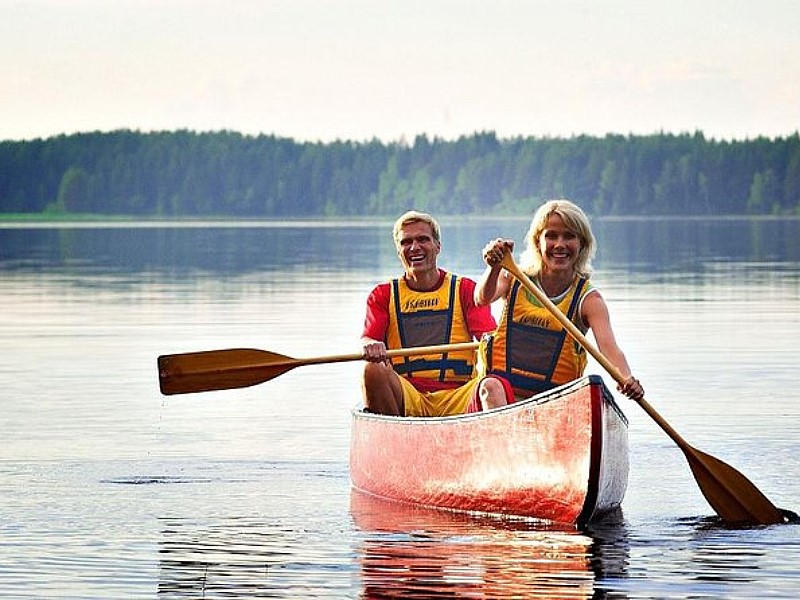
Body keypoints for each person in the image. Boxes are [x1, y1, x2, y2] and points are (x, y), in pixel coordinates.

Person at [476, 199, 645, 401]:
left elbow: (610, 349)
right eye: (551, 236)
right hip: (502, 395)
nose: (559, 245)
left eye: (569, 237)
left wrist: (626, 378)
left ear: (582, 244)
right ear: (538, 242)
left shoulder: (589, 300)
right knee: (490, 385)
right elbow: (482, 299)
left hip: (554, 402)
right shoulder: (513, 277)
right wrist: (494, 267)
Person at [361, 210, 513, 416]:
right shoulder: (383, 295)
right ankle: (397, 433)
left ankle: (500, 442)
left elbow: (491, 340)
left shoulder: (465, 289)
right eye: (406, 242)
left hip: (459, 396)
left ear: (437, 246)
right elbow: (369, 338)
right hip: (408, 396)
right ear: (399, 251)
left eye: (423, 239)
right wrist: (369, 345)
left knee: (493, 385)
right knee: (372, 370)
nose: (415, 247)